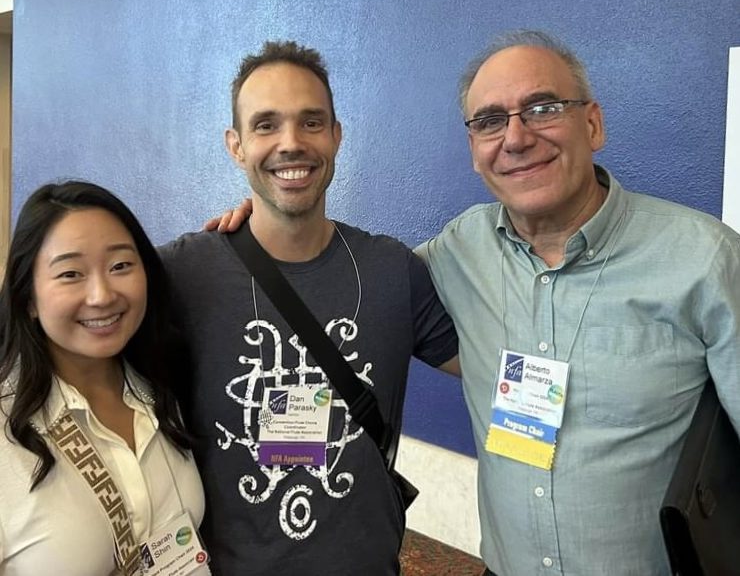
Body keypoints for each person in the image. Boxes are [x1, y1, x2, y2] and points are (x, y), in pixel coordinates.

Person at [415, 30, 740, 575]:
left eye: (542, 108)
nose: (515, 138)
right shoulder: (459, 250)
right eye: (490, 121)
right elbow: (353, 283)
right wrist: (254, 237)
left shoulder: (705, 259)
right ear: (474, 150)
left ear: (592, 124)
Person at [159, 41, 459, 575]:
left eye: (311, 122)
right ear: (236, 145)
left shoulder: (393, 271)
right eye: (266, 125)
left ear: (337, 136)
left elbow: (491, 360)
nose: (291, 143)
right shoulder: (181, 274)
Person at [0, 181, 210, 576]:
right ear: (28, 297)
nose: (101, 295)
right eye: (70, 274)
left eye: (120, 266)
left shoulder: (163, 386)